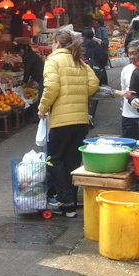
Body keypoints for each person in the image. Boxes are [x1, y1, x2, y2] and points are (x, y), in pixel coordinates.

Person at [38, 29, 100, 218]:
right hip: (80, 120)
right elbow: (94, 83)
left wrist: (43, 107)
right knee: (72, 160)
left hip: (62, 121)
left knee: (54, 159)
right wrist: (79, 95)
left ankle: (65, 200)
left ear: (57, 43)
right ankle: (70, 206)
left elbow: (51, 87)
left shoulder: (52, 60)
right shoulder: (79, 61)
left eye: (52, 42)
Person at [81, 28, 109, 126]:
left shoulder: (80, 47)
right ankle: (90, 115)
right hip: (95, 73)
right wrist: (99, 66)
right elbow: (104, 58)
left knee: (83, 94)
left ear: (83, 37)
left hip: (82, 73)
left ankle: (83, 115)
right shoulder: (97, 46)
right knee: (94, 94)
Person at [115, 40, 139, 140]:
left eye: (134, 53)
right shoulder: (126, 69)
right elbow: (123, 89)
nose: (131, 57)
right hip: (128, 115)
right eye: (129, 53)